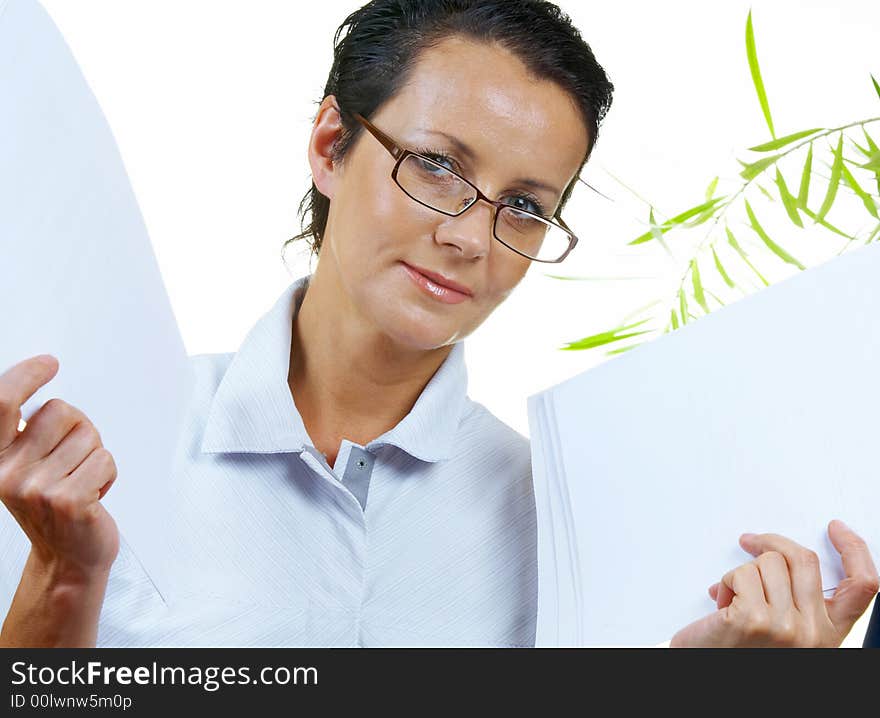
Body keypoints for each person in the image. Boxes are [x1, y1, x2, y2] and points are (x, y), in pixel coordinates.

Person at [1, 0, 877, 648]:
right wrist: (63, 570)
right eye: (436, 165)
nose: (468, 237)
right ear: (329, 147)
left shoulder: (568, 526)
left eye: (526, 206)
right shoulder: (93, 452)